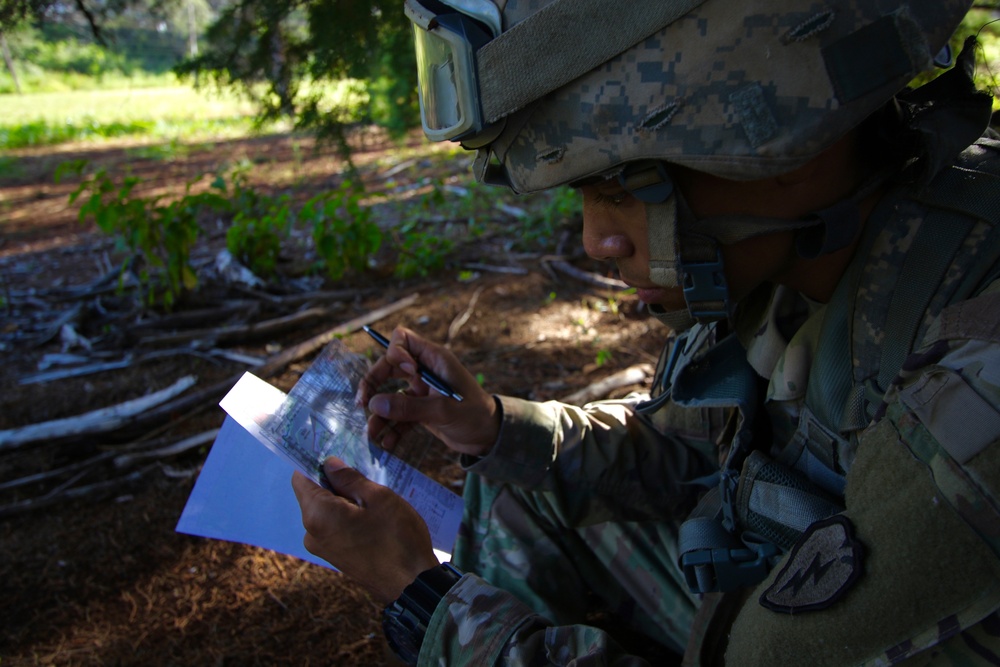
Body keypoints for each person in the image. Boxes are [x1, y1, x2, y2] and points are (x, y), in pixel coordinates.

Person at [291, 1, 1000, 664]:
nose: (597, 240)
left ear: (788, 142)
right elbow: (684, 447)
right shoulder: (795, 263)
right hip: (776, 588)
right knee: (520, 483)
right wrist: (492, 426)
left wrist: (428, 601)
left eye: (624, 189)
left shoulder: (979, 381)